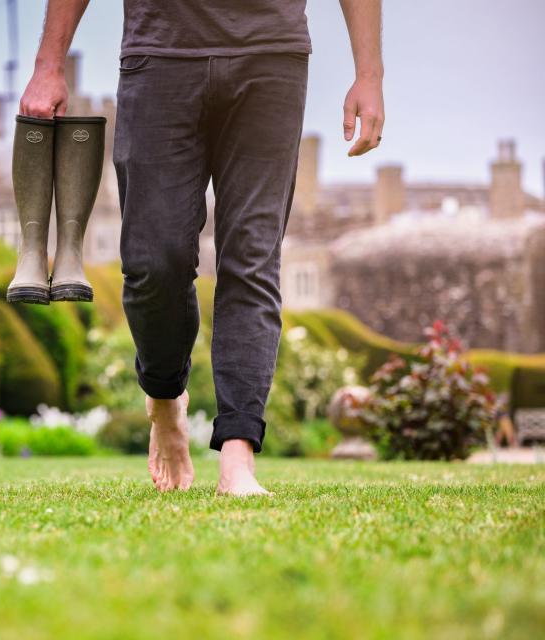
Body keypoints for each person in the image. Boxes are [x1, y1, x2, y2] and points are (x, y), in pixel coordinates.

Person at [20, 1, 384, 495]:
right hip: (160, 54)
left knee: (251, 258)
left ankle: (238, 455)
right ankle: (166, 398)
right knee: (154, 263)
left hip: (271, 52)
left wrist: (369, 72)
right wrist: (49, 64)